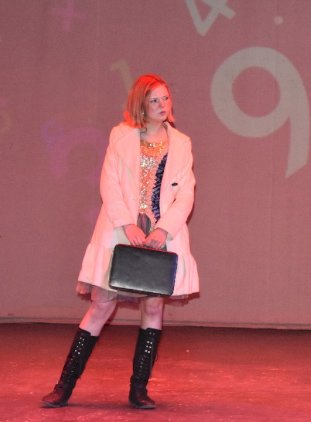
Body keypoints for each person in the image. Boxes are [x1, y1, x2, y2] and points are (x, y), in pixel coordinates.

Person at [41, 74, 199, 410]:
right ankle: (64, 386)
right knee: (101, 305)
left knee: (153, 306)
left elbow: (186, 193)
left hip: (160, 236)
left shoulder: (181, 143)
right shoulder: (121, 136)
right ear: (140, 105)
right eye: (154, 100)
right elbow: (109, 183)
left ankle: (139, 390)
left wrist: (163, 230)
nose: (162, 105)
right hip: (120, 231)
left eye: (165, 98)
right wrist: (126, 223)